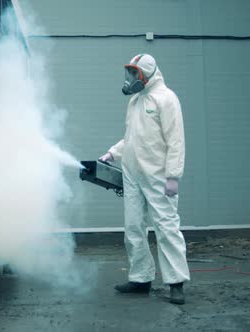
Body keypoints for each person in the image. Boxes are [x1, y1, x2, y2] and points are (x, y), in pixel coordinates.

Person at [99, 54, 190, 305]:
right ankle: (140, 279)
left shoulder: (166, 99)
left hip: (158, 175)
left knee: (166, 228)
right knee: (134, 227)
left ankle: (176, 283)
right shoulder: (135, 102)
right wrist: (113, 153)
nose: (130, 79)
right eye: (129, 72)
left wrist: (173, 176)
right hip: (132, 174)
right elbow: (132, 136)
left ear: (147, 75)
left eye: (135, 73)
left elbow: (176, 141)